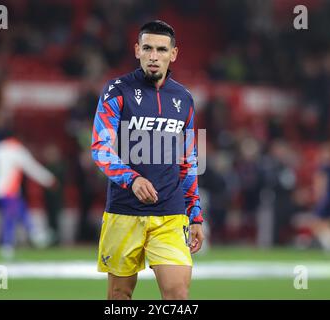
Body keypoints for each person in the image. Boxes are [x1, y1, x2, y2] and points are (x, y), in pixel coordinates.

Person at [91, 20, 204, 300]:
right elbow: (100, 148)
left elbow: (188, 160)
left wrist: (196, 213)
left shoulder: (185, 99)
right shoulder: (116, 91)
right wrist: (132, 179)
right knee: (119, 296)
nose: (154, 56)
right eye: (148, 48)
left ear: (173, 54)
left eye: (161, 50)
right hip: (124, 211)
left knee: (178, 294)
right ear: (137, 50)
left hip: (170, 211)